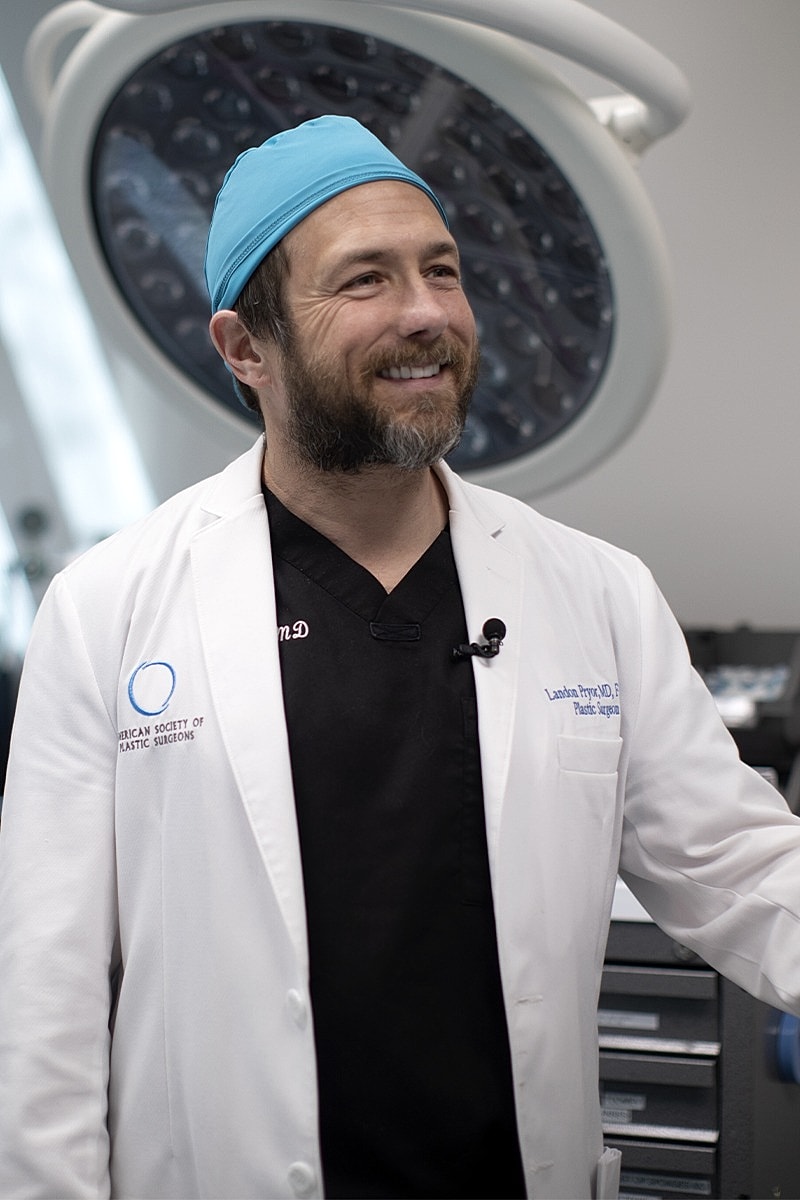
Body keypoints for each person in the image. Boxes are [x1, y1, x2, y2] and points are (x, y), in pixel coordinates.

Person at [1, 114, 799, 1200]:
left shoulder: (597, 592)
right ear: (246, 348)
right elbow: (41, 996)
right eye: (364, 281)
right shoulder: (106, 610)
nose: (425, 312)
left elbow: (742, 867)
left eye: (441, 270)